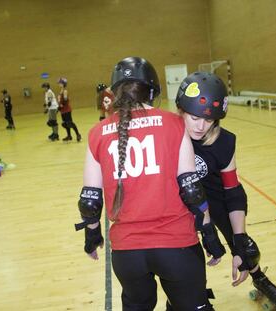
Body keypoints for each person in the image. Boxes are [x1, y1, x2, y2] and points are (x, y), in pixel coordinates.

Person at [75, 57, 225, 311]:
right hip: (177, 246)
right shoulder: (174, 123)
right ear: (153, 91)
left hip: (127, 253)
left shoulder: (96, 133)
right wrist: (209, 234)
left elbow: (90, 199)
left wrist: (92, 235)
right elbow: (192, 190)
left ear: (114, 93)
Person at [176, 72, 276, 309]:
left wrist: (239, 239)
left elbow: (233, 190)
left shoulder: (223, 142)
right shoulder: (169, 134)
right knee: (187, 254)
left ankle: (260, 278)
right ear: (181, 110)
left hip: (216, 198)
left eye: (209, 120)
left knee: (245, 246)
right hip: (181, 200)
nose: (201, 126)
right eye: (194, 117)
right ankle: (192, 297)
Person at [57, 77, 82, 142]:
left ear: (63, 83)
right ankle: (69, 136)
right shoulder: (61, 91)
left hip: (66, 110)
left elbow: (65, 100)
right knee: (65, 123)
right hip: (62, 110)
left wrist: (61, 106)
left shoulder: (65, 91)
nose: (59, 84)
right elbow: (61, 100)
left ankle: (78, 134)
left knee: (70, 123)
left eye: (60, 83)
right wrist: (59, 107)